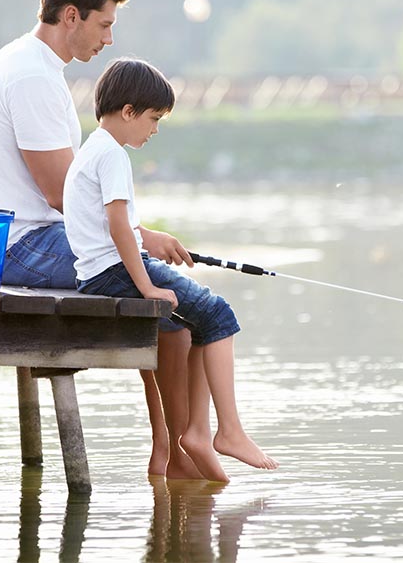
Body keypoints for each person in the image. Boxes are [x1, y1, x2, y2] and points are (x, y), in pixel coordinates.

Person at [0, 0, 205, 480]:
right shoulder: (32, 75)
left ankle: (170, 447)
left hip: (30, 237)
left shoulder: (25, 62)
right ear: (71, 15)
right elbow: (62, 194)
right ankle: (172, 452)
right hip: (25, 245)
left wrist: (140, 240)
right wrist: (140, 239)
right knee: (167, 297)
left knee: (157, 287)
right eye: (103, 24)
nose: (108, 38)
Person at [63, 57, 278, 480]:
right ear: (128, 112)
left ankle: (198, 434)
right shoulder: (112, 156)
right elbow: (119, 226)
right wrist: (145, 286)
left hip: (97, 273)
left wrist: (150, 253)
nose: (155, 129)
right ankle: (227, 431)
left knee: (201, 322)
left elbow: (115, 228)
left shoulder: (93, 149)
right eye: (153, 118)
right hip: (116, 273)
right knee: (219, 314)